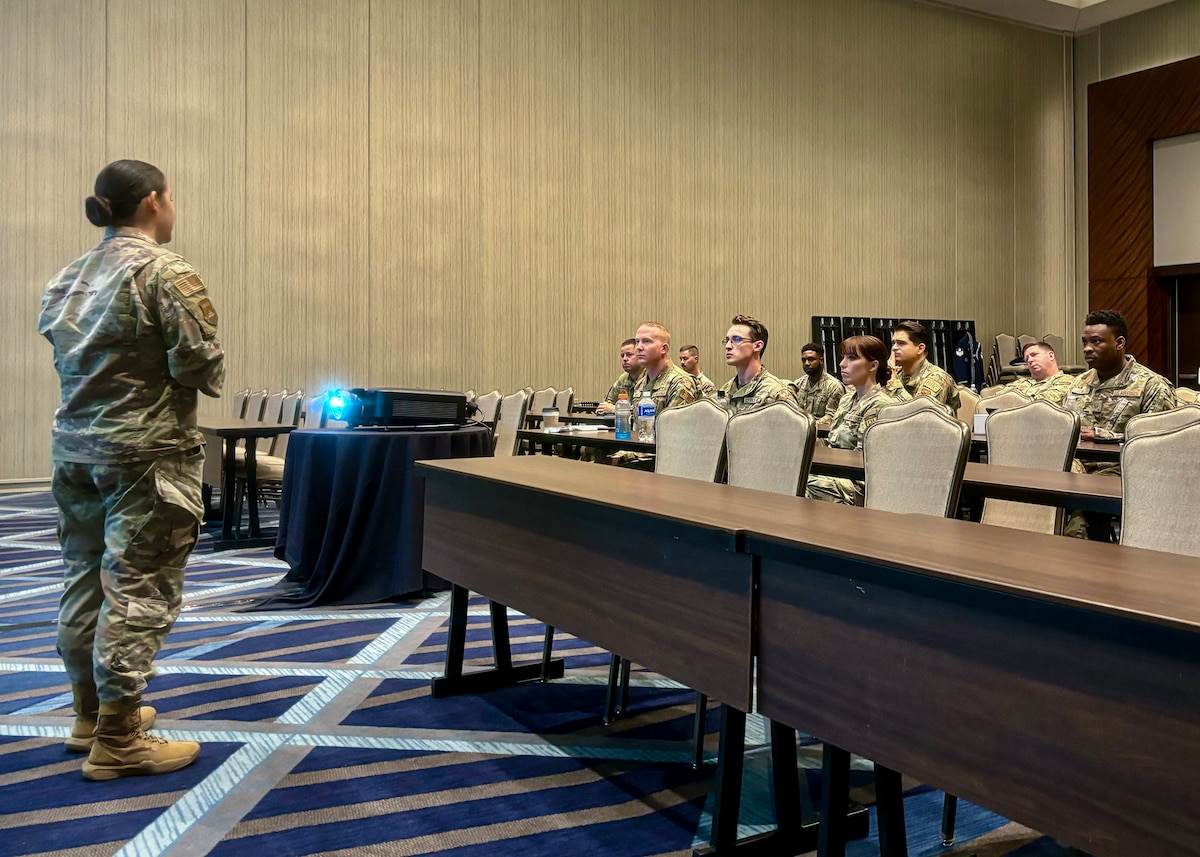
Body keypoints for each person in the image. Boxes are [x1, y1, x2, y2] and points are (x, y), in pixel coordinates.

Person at [38, 160, 225, 780]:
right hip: (146, 457)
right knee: (138, 589)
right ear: (152, 201)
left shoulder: (67, 277)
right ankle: (118, 740)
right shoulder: (165, 271)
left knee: (84, 579)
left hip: (75, 453)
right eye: (171, 198)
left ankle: (89, 715)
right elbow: (198, 364)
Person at [1061, 309, 1176, 540]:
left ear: (1119, 343)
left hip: (1122, 469)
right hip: (1075, 464)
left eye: (1096, 342)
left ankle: (1079, 542)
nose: (1087, 349)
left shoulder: (1150, 385)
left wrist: (1101, 435)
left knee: (1085, 494)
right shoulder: (1077, 384)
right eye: (1085, 342)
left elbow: (1160, 441)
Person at [807, 336, 908, 505]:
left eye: (852, 358)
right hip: (834, 473)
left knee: (802, 484)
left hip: (857, 484)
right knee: (785, 475)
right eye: (843, 358)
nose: (842, 364)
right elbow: (832, 443)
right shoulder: (847, 399)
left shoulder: (881, 405)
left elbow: (867, 463)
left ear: (873, 365)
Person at [718, 315, 798, 415]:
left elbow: (792, 430)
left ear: (757, 346)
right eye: (727, 340)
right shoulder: (724, 391)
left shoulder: (777, 393)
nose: (728, 346)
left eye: (737, 339)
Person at [886, 320, 961, 412]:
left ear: (920, 348)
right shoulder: (897, 374)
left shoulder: (938, 378)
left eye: (901, 343)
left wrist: (894, 382)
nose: (894, 348)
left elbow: (918, 414)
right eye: (893, 343)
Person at [629, 322, 699, 413]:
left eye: (646, 341)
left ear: (664, 349)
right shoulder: (640, 384)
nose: (639, 347)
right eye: (637, 342)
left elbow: (675, 425)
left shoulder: (680, 382)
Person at [997, 340, 1073, 404]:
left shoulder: (1066, 381)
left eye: (1034, 355)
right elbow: (996, 399)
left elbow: (1042, 403)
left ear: (1051, 356)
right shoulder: (1020, 382)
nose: (1030, 360)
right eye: (1027, 359)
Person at [793, 342, 847, 419]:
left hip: (823, 430)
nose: (806, 363)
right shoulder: (798, 384)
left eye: (811, 359)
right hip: (799, 428)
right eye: (803, 360)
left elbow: (832, 417)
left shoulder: (833, 386)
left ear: (821, 360)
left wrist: (808, 427)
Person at [595, 339, 643, 416]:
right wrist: (603, 408)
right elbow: (608, 403)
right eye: (622, 355)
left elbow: (646, 411)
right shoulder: (623, 379)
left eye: (629, 355)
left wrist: (615, 409)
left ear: (641, 355)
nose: (624, 359)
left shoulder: (649, 377)